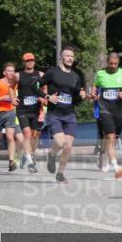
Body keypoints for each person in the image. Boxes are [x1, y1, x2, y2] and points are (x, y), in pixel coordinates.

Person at [41, 46, 87, 183]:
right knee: (60, 143)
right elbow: (35, 85)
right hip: (54, 114)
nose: (70, 58)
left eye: (72, 56)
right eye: (67, 56)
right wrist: (47, 96)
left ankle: (60, 173)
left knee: (68, 146)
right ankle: (52, 154)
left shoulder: (76, 76)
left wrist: (82, 95)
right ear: (61, 57)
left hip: (70, 114)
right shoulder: (52, 72)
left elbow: (76, 97)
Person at [90, 52, 122, 178]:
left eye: (115, 64)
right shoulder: (100, 74)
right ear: (107, 62)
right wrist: (93, 93)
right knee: (109, 136)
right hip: (105, 109)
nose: (113, 66)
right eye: (111, 64)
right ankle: (115, 166)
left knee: (114, 138)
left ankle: (104, 154)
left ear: (118, 63)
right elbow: (95, 86)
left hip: (120, 110)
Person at [15, 52, 44, 173]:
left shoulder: (41, 74)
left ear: (34, 61)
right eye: (27, 60)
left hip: (36, 109)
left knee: (35, 135)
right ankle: (30, 163)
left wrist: (43, 98)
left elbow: (45, 89)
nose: (30, 62)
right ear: (23, 62)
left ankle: (28, 154)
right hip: (22, 109)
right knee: (26, 133)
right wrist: (12, 97)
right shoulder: (18, 75)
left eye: (32, 60)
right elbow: (11, 88)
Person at [0, 63, 19, 171]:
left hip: (10, 111)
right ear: (4, 73)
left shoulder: (15, 83)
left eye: (13, 71)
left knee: (10, 137)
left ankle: (11, 162)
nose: (11, 73)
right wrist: (6, 97)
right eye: (9, 71)